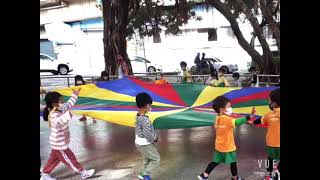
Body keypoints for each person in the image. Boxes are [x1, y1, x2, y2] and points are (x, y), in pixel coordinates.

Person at [41, 89, 95, 180]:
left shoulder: (60, 107)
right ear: (54, 104)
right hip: (60, 144)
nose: (64, 102)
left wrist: (75, 95)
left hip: (58, 143)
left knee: (53, 159)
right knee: (70, 158)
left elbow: (69, 104)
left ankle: (45, 174)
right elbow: (59, 121)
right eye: (61, 101)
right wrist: (68, 115)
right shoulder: (53, 115)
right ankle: (82, 172)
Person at [197, 96, 255, 180]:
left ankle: (204, 175)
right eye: (228, 106)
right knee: (233, 162)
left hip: (219, 146)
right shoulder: (227, 119)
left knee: (215, 161)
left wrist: (244, 121)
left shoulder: (218, 117)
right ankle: (235, 178)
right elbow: (236, 122)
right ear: (221, 110)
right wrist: (250, 116)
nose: (230, 108)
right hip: (228, 147)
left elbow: (224, 124)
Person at [248, 89, 280, 180]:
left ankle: (272, 174)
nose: (268, 103)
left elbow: (258, 121)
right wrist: (252, 122)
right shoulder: (268, 114)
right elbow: (259, 121)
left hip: (272, 142)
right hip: (272, 143)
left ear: (275, 102)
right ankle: (273, 173)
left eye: (269, 101)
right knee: (271, 159)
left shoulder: (270, 114)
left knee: (270, 159)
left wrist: (249, 121)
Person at [135, 92, 160, 180]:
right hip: (145, 144)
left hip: (139, 143)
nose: (150, 107)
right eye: (150, 105)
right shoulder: (145, 119)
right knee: (156, 159)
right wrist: (155, 138)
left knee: (147, 159)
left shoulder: (138, 116)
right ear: (146, 105)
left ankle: (143, 176)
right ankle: (145, 175)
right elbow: (147, 134)